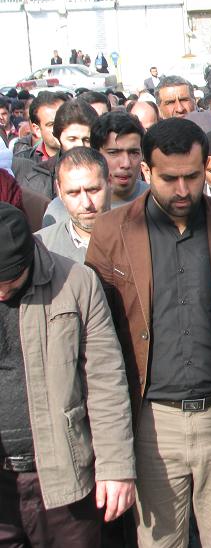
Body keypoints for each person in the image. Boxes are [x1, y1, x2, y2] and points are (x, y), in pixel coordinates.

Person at [85, 118, 211, 548]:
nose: (183, 190)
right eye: (169, 179)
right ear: (146, 171)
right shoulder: (112, 231)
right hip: (152, 422)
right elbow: (99, 341)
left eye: (193, 177)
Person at [0, 202, 135, 546]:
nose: (1, 293)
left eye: (10, 282)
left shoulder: (76, 282)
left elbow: (105, 379)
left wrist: (116, 467)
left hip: (64, 476)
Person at [36, 146, 111, 262]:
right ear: (59, 191)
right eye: (74, 193)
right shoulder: (40, 248)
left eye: (93, 190)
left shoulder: (137, 238)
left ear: (110, 183)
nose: (86, 203)